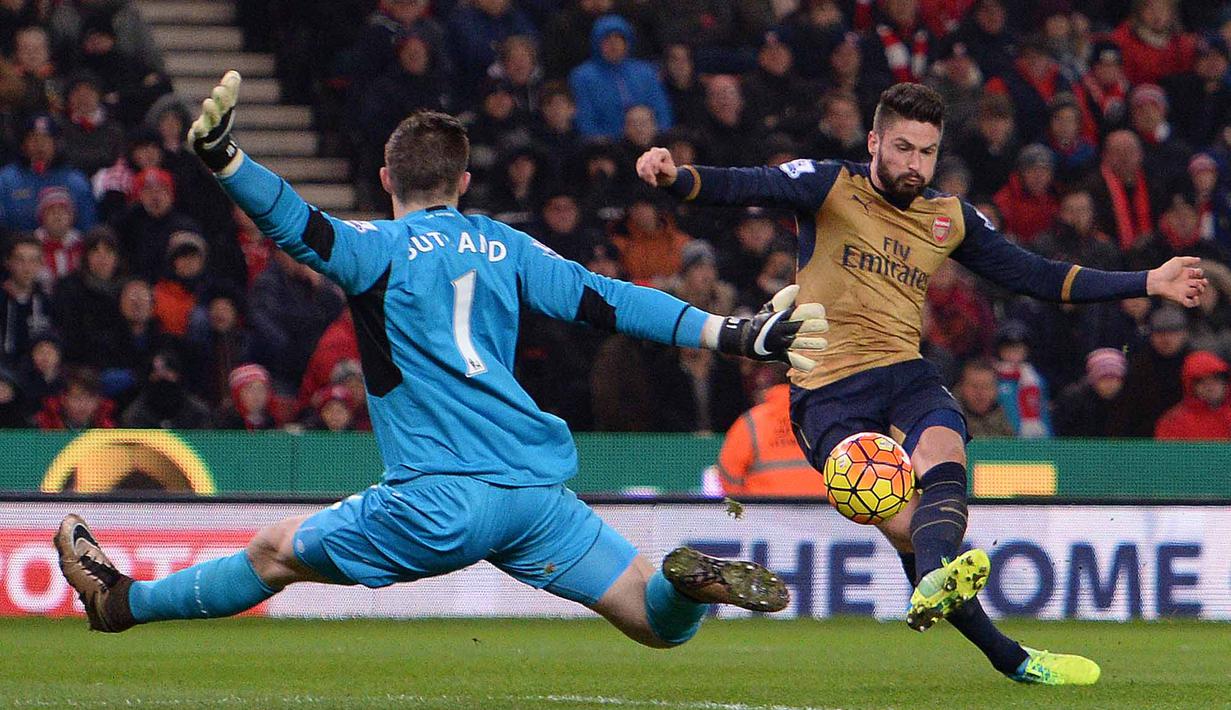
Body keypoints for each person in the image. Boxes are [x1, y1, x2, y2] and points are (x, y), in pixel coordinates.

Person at [55, 72, 831, 649]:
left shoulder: (378, 249)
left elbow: (298, 226)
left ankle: (119, 602)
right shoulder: (508, 244)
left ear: (390, 179)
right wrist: (731, 334)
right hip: (531, 489)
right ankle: (679, 585)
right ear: (462, 182)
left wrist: (225, 159)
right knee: (653, 619)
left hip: (437, 500)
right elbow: (614, 300)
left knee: (272, 552)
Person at [636, 82, 1206, 684]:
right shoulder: (832, 185)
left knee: (946, 453)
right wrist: (677, 178)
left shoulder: (948, 217)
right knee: (896, 514)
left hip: (904, 372)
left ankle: (942, 582)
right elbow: (749, 184)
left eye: (927, 152)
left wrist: (1149, 281)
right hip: (827, 388)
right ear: (876, 141)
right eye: (903, 148)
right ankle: (1007, 654)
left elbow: (1037, 275)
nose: (915, 164)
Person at [1154, 350, 1231, 440]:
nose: (1210, 387)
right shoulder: (1173, 422)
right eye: (1201, 381)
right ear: (1191, 387)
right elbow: (1166, 453)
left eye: (1216, 379)